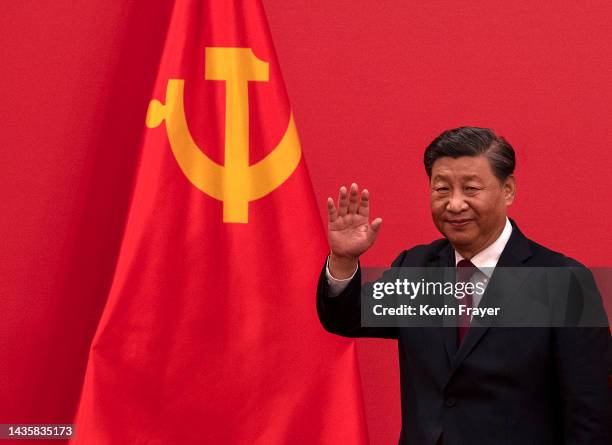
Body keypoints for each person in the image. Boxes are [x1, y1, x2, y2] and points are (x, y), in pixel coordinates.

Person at [316, 127, 611, 445]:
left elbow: (591, 412)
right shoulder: (416, 268)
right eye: (442, 189)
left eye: (470, 188)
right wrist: (344, 260)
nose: (455, 204)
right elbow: (344, 318)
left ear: (507, 190)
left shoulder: (562, 281)